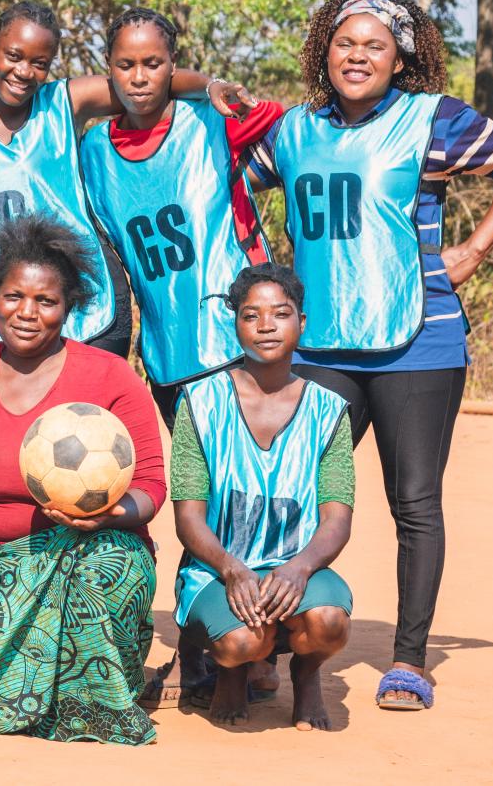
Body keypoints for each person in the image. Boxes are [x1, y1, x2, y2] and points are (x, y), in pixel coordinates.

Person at [268, 0, 493, 711]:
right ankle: (270, 641)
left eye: (374, 46)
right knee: (291, 494)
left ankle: (409, 661)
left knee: (414, 501)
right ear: (322, 52)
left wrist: (476, 249)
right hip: (323, 344)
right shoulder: (293, 130)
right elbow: (228, 183)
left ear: (402, 57)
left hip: (417, 341)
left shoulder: (434, 120)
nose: (357, 56)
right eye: (344, 43)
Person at [0, 0, 260, 360]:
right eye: (13, 56)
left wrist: (210, 86)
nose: (24, 71)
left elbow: (142, 83)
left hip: (86, 305)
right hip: (7, 310)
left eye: (40, 63)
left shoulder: (64, 103)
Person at [0, 214, 168, 744]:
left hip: (92, 549)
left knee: (102, 576)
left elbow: (150, 484)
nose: (27, 313)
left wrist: (110, 516)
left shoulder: (108, 376)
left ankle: (97, 698)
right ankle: (57, 681)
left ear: (68, 306)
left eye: (45, 301)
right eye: (13, 296)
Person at [170, 263, 354, 730]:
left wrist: (300, 568)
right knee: (242, 641)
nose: (266, 326)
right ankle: (232, 672)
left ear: (302, 322)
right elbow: (188, 517)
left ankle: (307, 672)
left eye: (281, 313)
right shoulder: (199, 402)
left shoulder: (328, 410)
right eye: (251, 315)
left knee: (330, 621)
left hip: (295, 565)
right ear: (236, 325)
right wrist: (231, 569)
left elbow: (336, 517)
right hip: (218, 569)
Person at [80, 8, 278, 427]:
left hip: (241, 342)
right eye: (125, 65)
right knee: (195, 484)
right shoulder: (93, 151)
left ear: (173, 63)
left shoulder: (213, 120)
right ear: (108, 69)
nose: (139, 77)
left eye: (153, 64)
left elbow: (299, 134)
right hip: (167, 350)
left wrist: (209, 86)